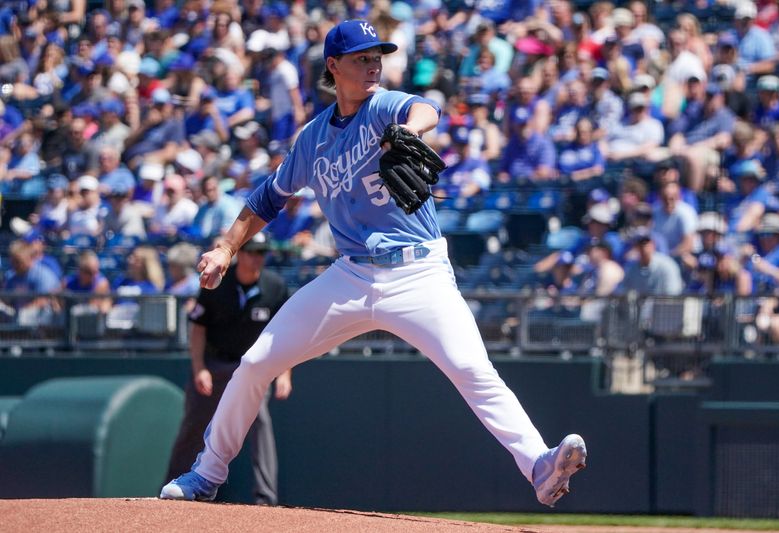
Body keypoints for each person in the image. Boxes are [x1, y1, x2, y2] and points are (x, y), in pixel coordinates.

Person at [160, 19, 587, 508]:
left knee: (473, 369)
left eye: (377, 55)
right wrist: (225, 248)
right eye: (362, 57)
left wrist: (407, 130)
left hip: (418, 271)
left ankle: (539, 466)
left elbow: (426, 109)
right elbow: (266, 199)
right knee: (256, 362)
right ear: (333, 66)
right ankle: (206, 475)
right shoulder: (312, 139)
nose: (373, 64)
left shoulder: (384, 105)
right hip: (352, 274)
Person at [164, 233, 292, 505]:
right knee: (192, 426)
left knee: (261, 424)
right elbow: (198, 328)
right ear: (239, 254)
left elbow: (287, 333)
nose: (257, 258)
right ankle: (174, 484)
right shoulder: (217, 283)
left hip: (251, 369)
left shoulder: (275, 286)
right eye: (252, 251)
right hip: (215, 363)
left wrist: (285, 372)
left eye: (261, 252)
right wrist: (199, 368)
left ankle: (265, 499)